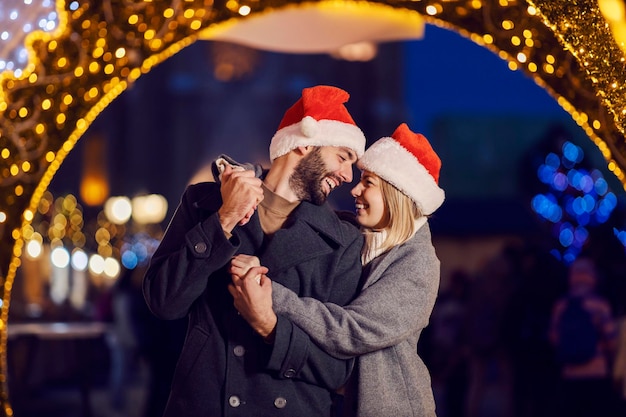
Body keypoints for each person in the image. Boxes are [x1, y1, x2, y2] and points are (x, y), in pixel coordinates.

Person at [142, 85, 367, 417]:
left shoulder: (344, 242)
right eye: (342, 157)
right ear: (305, 142)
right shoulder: (205, 203)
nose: (348, 176)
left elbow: (339, 370)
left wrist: (269, 325)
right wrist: (224, 220)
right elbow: (163, 302)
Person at [229, 123, 445, 417]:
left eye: (368, 182)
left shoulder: (417, 263)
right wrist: (249, 183)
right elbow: (293, 210)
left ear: (398, 194)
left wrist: (270, 294)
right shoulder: (354, 235)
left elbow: (353, 330)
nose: (354, 188)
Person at [548, 256, 619, 417]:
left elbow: (553, 337)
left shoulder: (561, 305)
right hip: (596, 372)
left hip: (569, 372)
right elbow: (611, 339)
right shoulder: (600, 304)